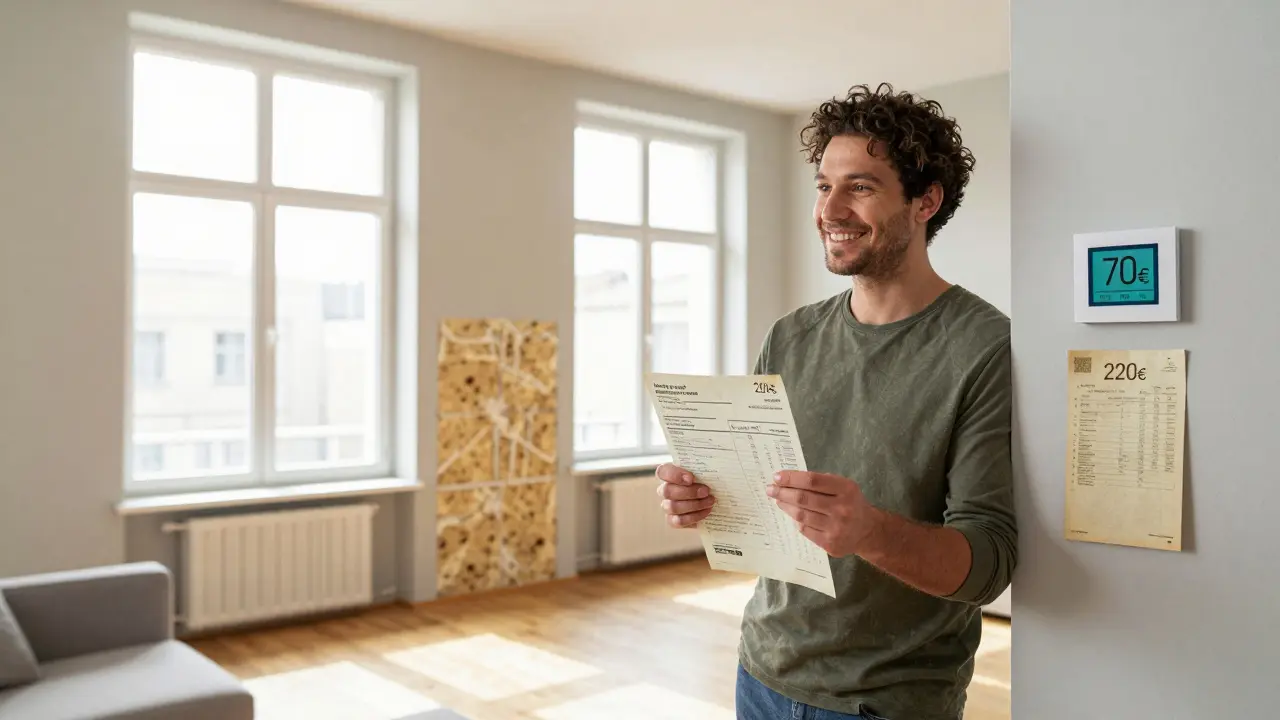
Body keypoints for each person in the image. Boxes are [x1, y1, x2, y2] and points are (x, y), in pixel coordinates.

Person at [655, 83, 1015, 720]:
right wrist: (705, 496)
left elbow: (988, 563)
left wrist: (871, 532)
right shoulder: (790, 336)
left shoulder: (987, 348)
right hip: (762, 672)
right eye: (824, 185)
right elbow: (766, 501)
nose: (832, 209)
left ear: (925, 201)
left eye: (862, 186)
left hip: (888, 702)